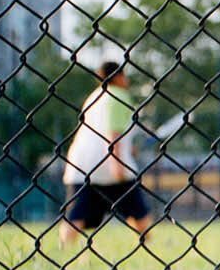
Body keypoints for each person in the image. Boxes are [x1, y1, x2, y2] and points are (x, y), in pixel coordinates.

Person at [59, 60, 151, 246]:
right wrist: (117, 163)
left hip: (81, 164)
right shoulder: (119, 95)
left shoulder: (94, 96)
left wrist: (127, 148)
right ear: (117, 77)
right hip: (108, 163)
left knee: (76, 215)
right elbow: (113, 133)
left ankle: (64, 249)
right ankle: (145, 244)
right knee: (139, 211)